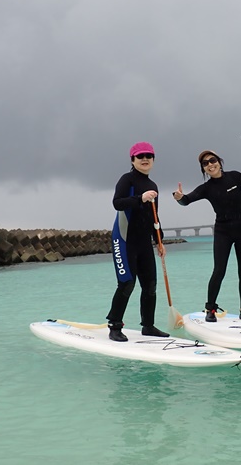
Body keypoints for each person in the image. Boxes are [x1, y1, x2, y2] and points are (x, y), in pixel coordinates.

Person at [173, 150, 241, 322]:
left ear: (219, 161)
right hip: (223, 232)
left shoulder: (235, 176)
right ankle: (210, 309)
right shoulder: (206, 188)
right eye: (205, 163)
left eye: (212, 160)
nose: (210, 164)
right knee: (219, 270)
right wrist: (179, 198)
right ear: (203, 169)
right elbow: (187, 200)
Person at [106, 141, 170, 342]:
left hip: (144, 243)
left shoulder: (153, 186)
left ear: (153, 160)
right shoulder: (127, 180)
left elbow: (154, 216)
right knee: (126, 284)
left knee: (150, 286)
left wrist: (159, 240)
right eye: (140, 156)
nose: (145, 159)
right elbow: (117, 203)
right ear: (132, 160)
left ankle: (148, 326)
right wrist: (140, 198)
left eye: (148, 156)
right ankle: (114, 326)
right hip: (124, 241)